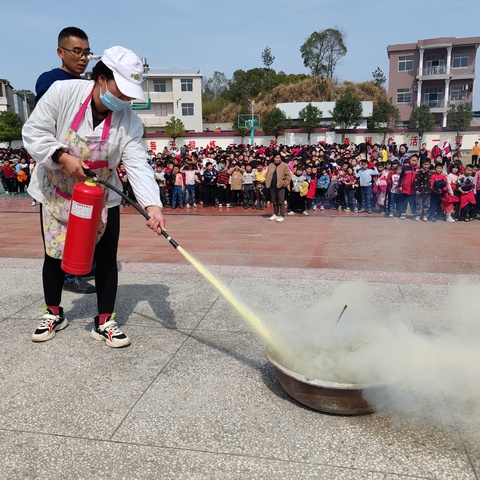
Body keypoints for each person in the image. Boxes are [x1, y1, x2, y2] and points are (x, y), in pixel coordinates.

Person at [22, 45, 166, 348]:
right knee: (53, 253)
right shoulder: (64, 93)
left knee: (106, 257)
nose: (125, 99)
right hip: (58, 190)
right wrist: (62, 156)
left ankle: (103, 321)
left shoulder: (128, 120)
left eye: (129, 93)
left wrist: (152, 206)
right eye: (121, 90)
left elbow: (137, 163)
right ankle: (53, 312)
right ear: (101, 78)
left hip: (102, 193)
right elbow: (33, 132)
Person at [35, 26, 96, 295]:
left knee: (84, 226)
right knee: (58, 230)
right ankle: (63, 284)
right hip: (58, 167)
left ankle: (80, 266)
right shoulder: (51, 81)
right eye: (76, 52)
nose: (82, 58)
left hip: (84, 172)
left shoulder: (89, 84)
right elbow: (43, 128)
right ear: (61, 52)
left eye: (87, 53)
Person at [265, 152, 291, 222]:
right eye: (276, 158)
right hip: (272, 186)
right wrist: (267, 181)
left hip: (280, 186)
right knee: (274, 201)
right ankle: (275, 214)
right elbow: (267, 174)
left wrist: (285, 183)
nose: (277, 159)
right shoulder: (271, 165)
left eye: (278, 158)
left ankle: (282, 215)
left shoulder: (284, 165)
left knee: (281, 201)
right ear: (273, 158)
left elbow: (288, 176)